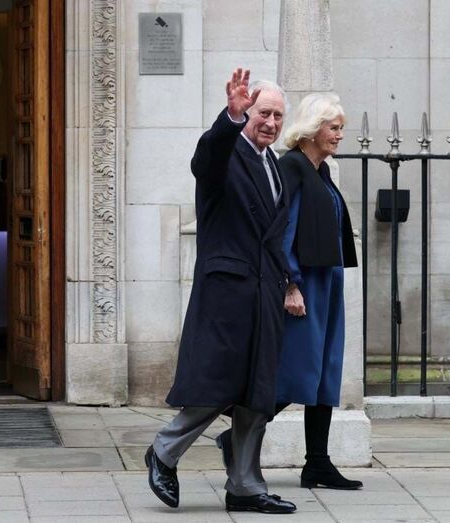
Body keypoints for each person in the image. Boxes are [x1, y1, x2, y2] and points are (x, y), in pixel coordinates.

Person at [145, 68, 296, 515]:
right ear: (246, 111)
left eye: (277, 116)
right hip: (226, 292)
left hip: (264, 291)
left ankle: (246, 484)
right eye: (262, 113)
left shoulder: (274, 164)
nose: (270, 122)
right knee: (218, 384)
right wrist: (228, 119)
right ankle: (164, 450)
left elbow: (274, 236)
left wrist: (289, 283)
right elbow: (206, 158)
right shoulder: (226, 154)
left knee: (257, 393)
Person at [215, 92, 363, 491]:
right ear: (314, 130)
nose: (339, 136)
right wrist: (291, 284)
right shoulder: (293, 168)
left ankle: (317, 462)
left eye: (341, 129)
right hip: (303, 285)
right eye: (334, 128)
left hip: (326, 279)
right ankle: (236, 438)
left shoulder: (321, 171)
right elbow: (282, 232)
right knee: (297, 371)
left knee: (326, 372)